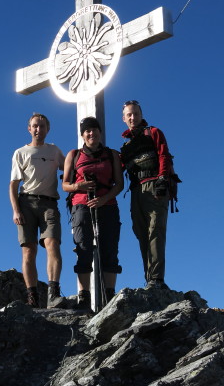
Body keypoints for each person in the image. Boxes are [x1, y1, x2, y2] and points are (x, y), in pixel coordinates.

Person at [62, 117, 123, 311]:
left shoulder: (112, 154)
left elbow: (119, 184)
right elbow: (64, 185)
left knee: (110, 250)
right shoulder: (74, 155)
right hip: (81, 205)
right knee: (83, 250)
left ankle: (109, 296)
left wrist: (104, 199)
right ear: (82, 135)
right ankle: (84, 298)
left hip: (108, 205)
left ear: (100, 132)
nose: (91, 134)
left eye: (94, 130)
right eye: (87, 131)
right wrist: (78, 186)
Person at [9, 113, 66, 308]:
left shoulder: (54, 151)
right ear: (29, 128)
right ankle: (32, 297)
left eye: (42, 126)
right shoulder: (20, 153)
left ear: (47, 129)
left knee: (52, 244)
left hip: (49, 204)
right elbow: (13, 185)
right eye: (35, 126)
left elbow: (69, 168)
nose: (38, 129)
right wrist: (16, 210)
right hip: (26, 203)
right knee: (28, 251)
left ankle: (53, 293)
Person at [120, 100, 173, 289]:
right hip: (136, 191)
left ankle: (157, 279)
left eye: (135, 114)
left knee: (155, 230)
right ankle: (149, 276)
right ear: (124, 118)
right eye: (129, 115)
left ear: (141, 115)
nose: (132, 117)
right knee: (142, 233)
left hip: (154, 185)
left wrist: (162, 180)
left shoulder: (154, 132)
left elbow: (163, 155)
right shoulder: (126, 146)